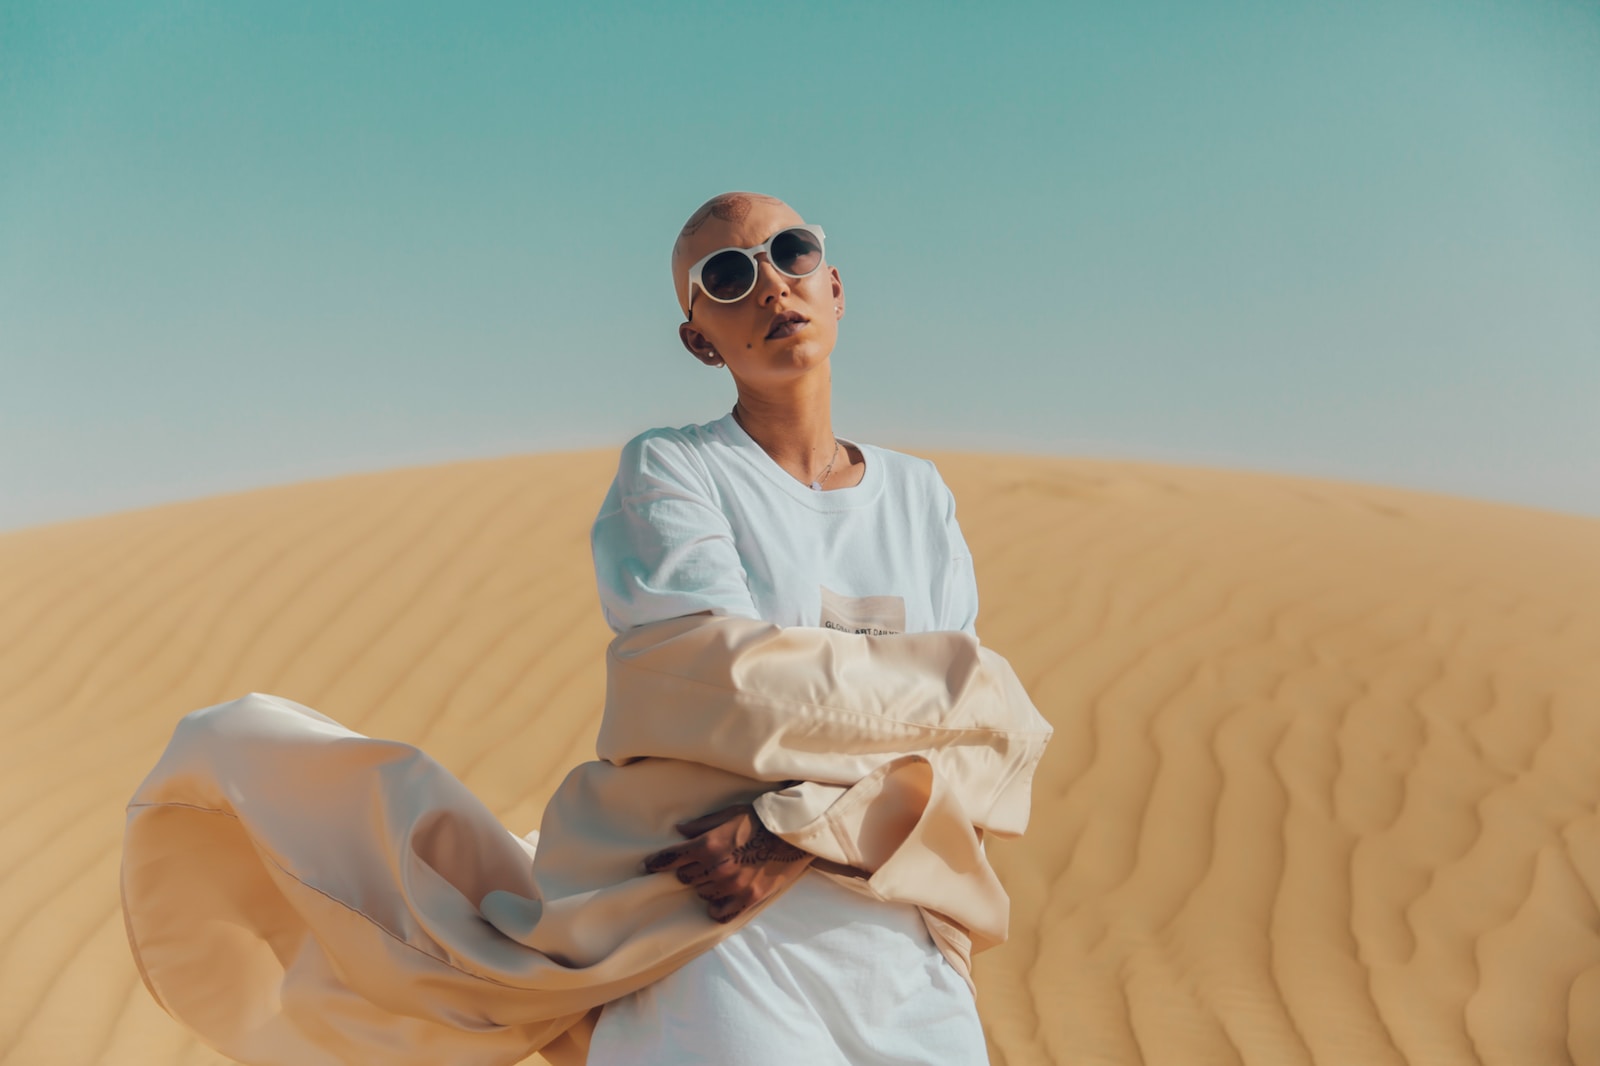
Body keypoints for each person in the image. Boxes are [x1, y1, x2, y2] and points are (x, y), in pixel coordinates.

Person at [585, 191, 992, 1064]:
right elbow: (725, 698)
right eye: (728, 276)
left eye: (791, 253)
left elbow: (973, 735)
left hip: (904, 947)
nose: (771, 286)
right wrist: (907, 723)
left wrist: (793, 832)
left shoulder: (919, 495)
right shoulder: (674, 468)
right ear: (699, 339)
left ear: (835, 288)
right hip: (725, 942)